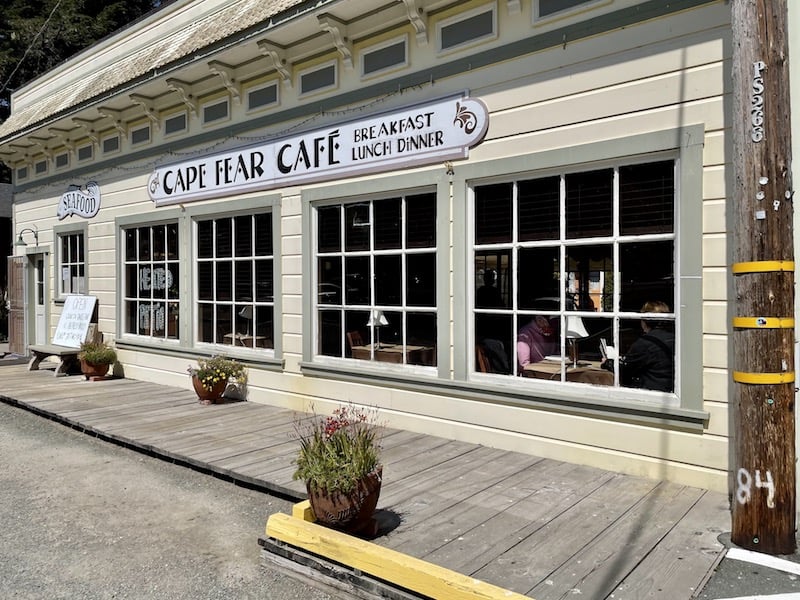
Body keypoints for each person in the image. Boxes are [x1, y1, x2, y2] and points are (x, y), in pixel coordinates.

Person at [611, 301, 675, 392]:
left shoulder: (646, 342)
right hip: (671, 389)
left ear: (644, 321)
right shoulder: (675, 337)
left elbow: (625, 371)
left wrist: (608, 363)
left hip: (650, 391)